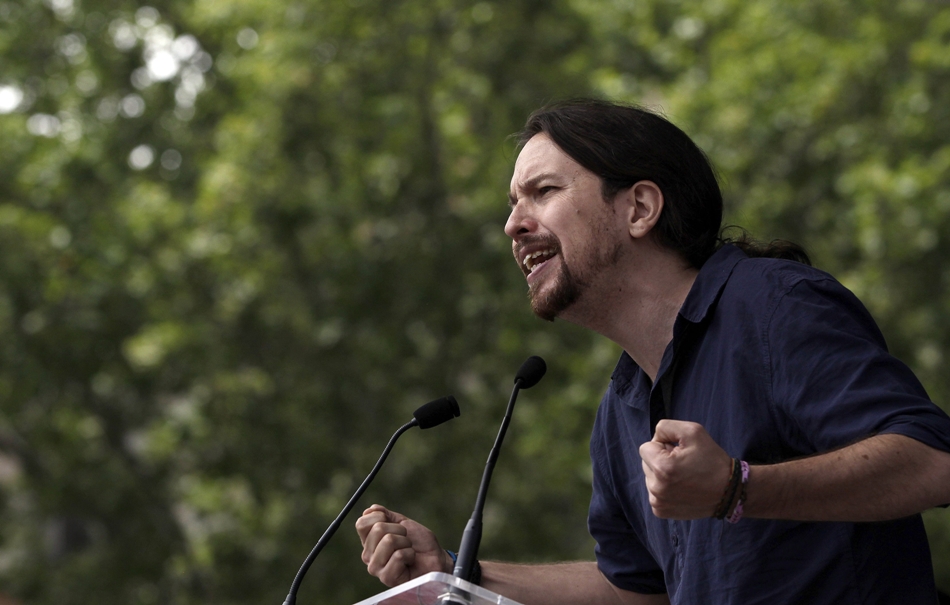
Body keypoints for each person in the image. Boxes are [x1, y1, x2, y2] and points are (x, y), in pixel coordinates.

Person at [355, 99, 950, 604]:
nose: (513, 224)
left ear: (639, 208)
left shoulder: (771, 305)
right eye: (512, 204)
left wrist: (737, 489)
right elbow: (637, 590)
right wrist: (455, 574)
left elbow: (933, 461)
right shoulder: (622, 403)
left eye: (543, 191)